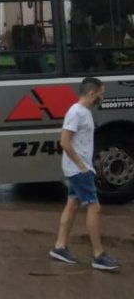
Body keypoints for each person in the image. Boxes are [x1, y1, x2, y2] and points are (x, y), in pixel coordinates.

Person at [50, 76, 120, 271]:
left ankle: (59, 247)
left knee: (72, 204)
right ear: (91, 92)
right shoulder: (76, 112)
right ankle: (98, 254)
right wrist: (82, 165)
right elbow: (64, 142)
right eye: (101, 94)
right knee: (94, 207)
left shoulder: (85, 112)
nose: (102, 97)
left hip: (79, 168)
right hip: (78, 170)